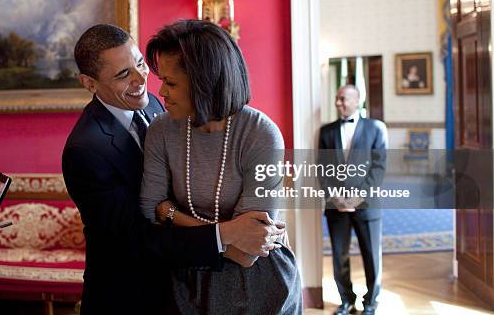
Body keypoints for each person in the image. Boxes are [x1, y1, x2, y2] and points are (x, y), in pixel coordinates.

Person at [62, 24, 286, 314]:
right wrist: (227, 234)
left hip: (211, 287)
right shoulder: (85, 149)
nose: (144, 80)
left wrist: (168, 212)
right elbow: (139, 237)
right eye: (122, 74)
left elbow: (251, 242)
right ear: (90, 83)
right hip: (130, 295)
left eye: (140, 63)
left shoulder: (155, 106)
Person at [139, 19, 302, 315]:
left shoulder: (261, 133)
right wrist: (228, 232)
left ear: (205, 82)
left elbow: (247, 252)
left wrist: (171, 213)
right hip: (185, 280)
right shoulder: (161, 130)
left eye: (171, 82)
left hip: (259, 286)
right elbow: (150, 210)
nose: (160, 92)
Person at [317, 85, 387, 315]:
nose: (338, 103)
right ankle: (346, 300)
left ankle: (371, 303)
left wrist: (358, 197)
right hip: (336, 206)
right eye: (336, 99)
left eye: (343, 99)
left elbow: (379, 167)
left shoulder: (376, 128)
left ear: (357, 100)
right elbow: (322, 169)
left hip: (367, 206)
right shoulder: (326, 131)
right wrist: (335, 197)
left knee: (371, 255)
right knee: (339, 256)